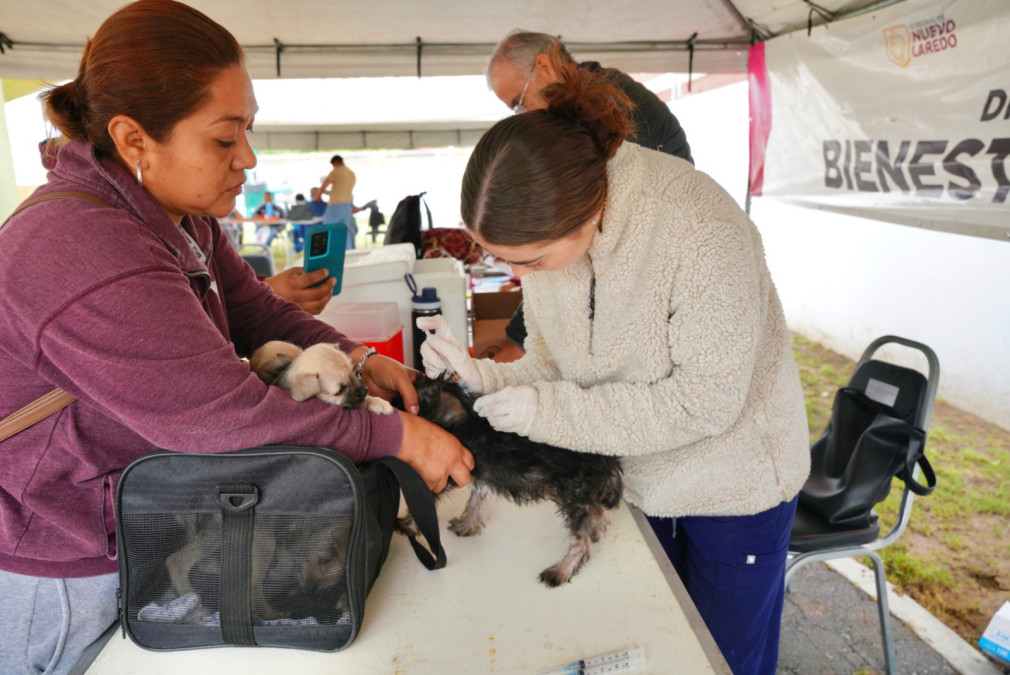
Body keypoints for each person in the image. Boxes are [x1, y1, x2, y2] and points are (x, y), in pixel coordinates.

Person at [0, 2, 472, 672]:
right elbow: (222, 417)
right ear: (134, 139)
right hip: (64, 568)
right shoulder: (82, 247)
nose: (247, 157)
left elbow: (259, 314)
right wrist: (393, 435)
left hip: (145, 524)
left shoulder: (178, 218)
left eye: (247, 129)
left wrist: (362, 359)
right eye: (225, 138)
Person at [419, 42, 809, 675]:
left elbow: (702, 403)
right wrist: (481, 375)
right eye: (505, 260)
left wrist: (544, 409)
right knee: (658, 642)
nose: (520, 275)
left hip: (735, 478)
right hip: (642, 474)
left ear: (587, 211)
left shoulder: (699, 227)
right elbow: (549, 358)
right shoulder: (555, 234)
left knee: (719, 659)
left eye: (530, 261)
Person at [486, 30, 695, 364]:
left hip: (663, 291)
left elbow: (582, 247)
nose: (523, 116)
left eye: (518, 103)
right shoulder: (580, 112)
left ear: (543, 65)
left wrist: (518, 343)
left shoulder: (613, 109)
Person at [319, 154, 357, 249]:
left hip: (335, 206)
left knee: (328, 230)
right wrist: (327, 193)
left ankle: (329, 251)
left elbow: (325, 184)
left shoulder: (335, 171)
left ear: (335, 163)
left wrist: (318, 194)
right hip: (346, 205)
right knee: (346, 231)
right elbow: (340, 190)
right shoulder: (351, 173)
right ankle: (348, 252)